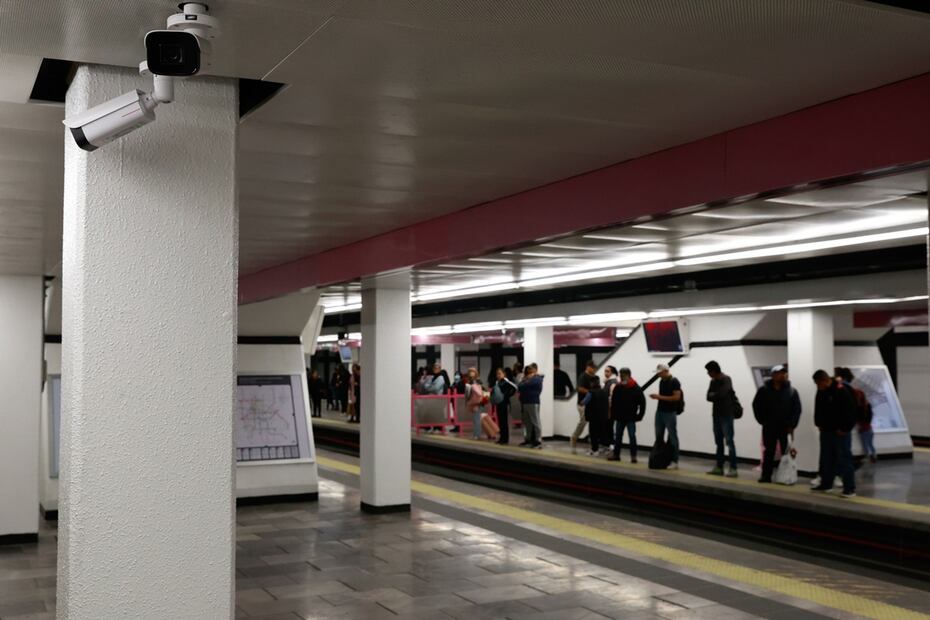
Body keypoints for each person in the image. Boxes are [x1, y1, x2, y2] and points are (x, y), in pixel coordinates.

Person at [811, 369, 858, 497]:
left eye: (818, 383)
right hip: (826, 430)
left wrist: (845, 428)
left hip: (840, 432)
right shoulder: (821, 391)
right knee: (827, 458)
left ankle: (850, 488)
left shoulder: (841, 390)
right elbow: (818, 408)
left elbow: (851, 410)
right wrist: (818, 423)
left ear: (825, 380)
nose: (817, 386)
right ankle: (826, 484)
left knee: (844, 459)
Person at [752, 364, 801, 483]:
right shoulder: (764, 390)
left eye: (783, 373)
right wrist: (761, 420)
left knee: (786, 452)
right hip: (769, 425)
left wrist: (792, 424)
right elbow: (756, 405)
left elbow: (797, 409)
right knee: (769, 451)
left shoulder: (791, 391)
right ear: (773, 375)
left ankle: (786, 476)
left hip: (785, 427)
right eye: (779, 373)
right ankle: (766, 476)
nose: (782, 375)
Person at [705, 361, 738, 477]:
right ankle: (719, 467)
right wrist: (715, 395)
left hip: (727, 414)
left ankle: (733, 468)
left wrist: (714, 395)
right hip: (716, 415)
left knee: (729, 441)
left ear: (714, 371)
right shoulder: (713, 381)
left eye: (708, 371)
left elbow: (722, 394)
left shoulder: (726, 379)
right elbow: (708, 397)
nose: (708, 374)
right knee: (718, 442)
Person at [837, 367, 876, 464]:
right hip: (862, 427)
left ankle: (870, 456)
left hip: (859, 428)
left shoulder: (843, 389)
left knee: (865, 443)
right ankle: (872, 456)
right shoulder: (857, 397)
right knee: (868, 443)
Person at [608, 367, 645, 462]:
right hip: (620, 416)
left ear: (628, 375)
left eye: (622, 375)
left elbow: (642, 403)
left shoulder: (635, 388)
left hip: (630, 417)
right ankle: (616, 455)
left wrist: (640, 416)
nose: (620, 377)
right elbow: (614, 402)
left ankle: (633, 456)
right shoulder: (618, 387)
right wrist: (612, 415)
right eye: (620, 375)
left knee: (631, 436)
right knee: (619, 437)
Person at [650, 363, 682, 470]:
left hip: (670, 412)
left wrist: (659, 397)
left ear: (665, 371)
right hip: (660, 411)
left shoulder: (675, 381)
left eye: (660, 373)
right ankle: (660, 458)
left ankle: (675, 460)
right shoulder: (661, 381)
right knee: (659, 436)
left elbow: (676, 397)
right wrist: (659, 397)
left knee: (672, 437)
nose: (658, 375)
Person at [572, 361, 600, 454]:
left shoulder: (595, 377)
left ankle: (592, 443)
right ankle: (574, 437)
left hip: (592, 404)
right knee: (583, 421)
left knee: (593, 423)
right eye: (593, 368)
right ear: (588, 367)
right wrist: (591, 392)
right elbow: (580, 388)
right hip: (582, 403)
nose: (595, 370)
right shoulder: (583, 376)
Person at [518, 362, 544, 448]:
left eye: (531, 369)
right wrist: (526, 380)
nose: (529, 371)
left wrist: (526, 380)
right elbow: (519, 386)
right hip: (525, 402)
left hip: (533, 402)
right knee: (527, 423)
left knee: (535, 422)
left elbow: (528, 385)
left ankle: (538, 440)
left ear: (535, 370)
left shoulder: (538, 378)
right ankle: (528, 439)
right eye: (529, 370)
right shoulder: (526, 378)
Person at [492, 367, 518, 445]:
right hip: (499, 404)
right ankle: (501, 438)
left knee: (504, 422)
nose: (498, 375)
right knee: (500, 422)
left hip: (505, 404)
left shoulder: (506, 381)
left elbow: (515, 388)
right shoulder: (497, 382)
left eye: (500, 374)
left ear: (504, 374)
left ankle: (505, 439)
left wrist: (507, 395)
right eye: (497, 374)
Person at [464, 367, 488, 440]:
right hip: (475, 402)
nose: (471, 373)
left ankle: (477, 435)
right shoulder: (471, 381)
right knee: (475, 419)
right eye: (470, 372)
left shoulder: (477, 381)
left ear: (475, 373)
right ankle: (476, 434)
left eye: (473, 372)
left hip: (477, 402)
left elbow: (481, 391)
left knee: (476, 419)